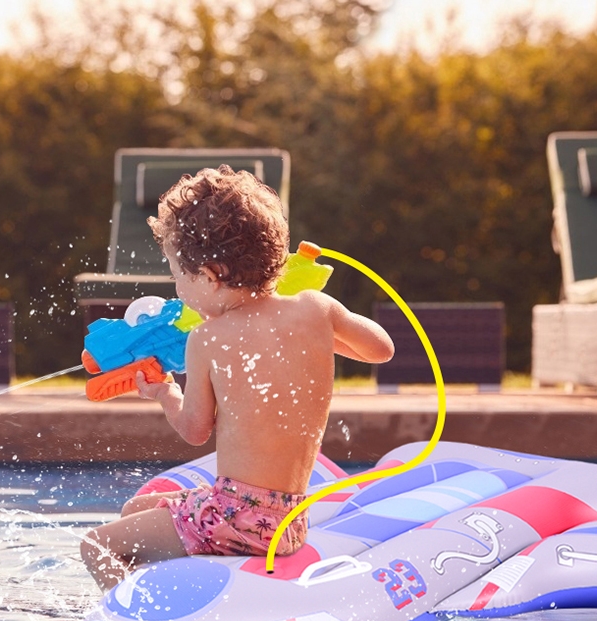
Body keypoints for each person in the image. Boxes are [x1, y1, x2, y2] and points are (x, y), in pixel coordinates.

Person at [80, 165, 395, 590]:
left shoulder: (208, 338)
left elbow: (194, 430)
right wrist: (321, 336)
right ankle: (179, 591)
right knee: (139, 509)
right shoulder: (315, 309)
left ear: (209, 277)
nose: (179, 292)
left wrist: (165, 393)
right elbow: (381, 349)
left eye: (178, 277)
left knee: (97, 546)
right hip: (288, 521)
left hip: (234, 519)